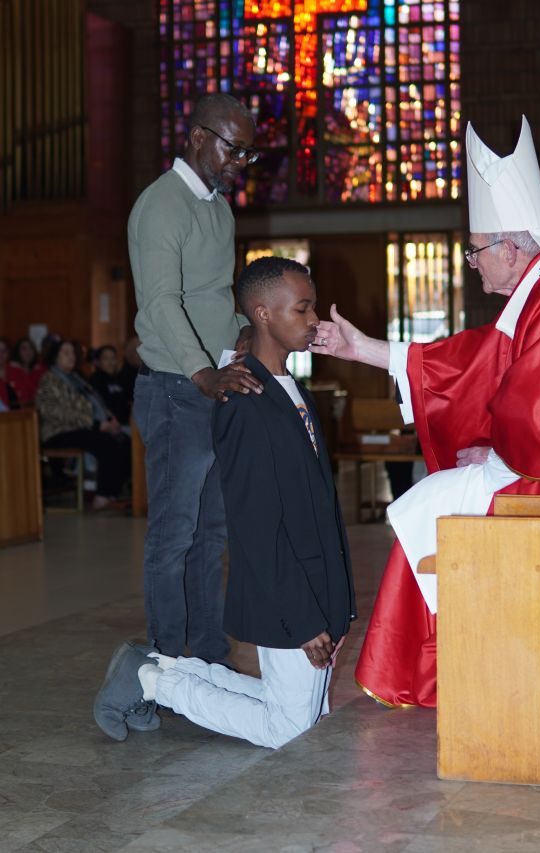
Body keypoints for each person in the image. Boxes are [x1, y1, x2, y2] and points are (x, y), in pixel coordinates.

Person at [311, 115, 540, 708]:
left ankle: (421, 674)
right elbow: (476, 362)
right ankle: (430, 670)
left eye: (476, 250)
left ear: (510, 247)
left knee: (429, 504)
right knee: (429, 501)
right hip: (537, 464)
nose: (471, 262)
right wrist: (365, 350)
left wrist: (500, 454)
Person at [93, 257, 357, 747]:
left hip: (314, 587)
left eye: (313, 308)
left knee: (309, 713)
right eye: (302, 309)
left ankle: (157, 665)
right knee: (289, 728)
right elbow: (256, 523)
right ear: (262, 314)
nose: (314, 320)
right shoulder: (244, 400)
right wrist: (303, 617)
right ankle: (152, 682)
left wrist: (334, 603)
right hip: (286, 594)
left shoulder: (294, 391)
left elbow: (317, 505)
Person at [129, 93, 264, 688]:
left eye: (247, 154)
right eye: (234, 149)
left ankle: (208, 659)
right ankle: (165, 666)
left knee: (211, 535)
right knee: (174, 535)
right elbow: (161, 304)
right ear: (197, 137)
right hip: (174, 390)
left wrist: (243, 331)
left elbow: (212, 300)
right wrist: (202, 372)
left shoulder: (220, 210)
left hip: (212, 386)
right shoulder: (162, 206)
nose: (240, 163)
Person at [36, 339, 131, 510]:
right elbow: (56, 412)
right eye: (66, 353)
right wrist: (96, 424)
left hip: (82, 428)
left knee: (125, 442)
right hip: (58, 432)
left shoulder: (76, 378)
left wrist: (110, 419)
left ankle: (113, 493)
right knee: (106, 443)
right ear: (55, 357)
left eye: (73, 352)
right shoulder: (49, 379)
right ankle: (102, 496)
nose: (71, 356)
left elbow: (96, 401)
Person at [89, 345, 131, 428]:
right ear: (98, 362)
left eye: (113, 358)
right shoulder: (95, 380)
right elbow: (98, 406)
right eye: (106, 358)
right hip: (110, 425)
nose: (110, 362)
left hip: (126, 423)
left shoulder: (119, 379)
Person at [11, 336, 46, 401]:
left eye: (31, 348)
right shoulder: (11, 370)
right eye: (24, 349)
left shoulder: (40, 370)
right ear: (17, 352)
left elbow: (38, 394)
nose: (28, 351)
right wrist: (21, 371)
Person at [0, 337, 32, 407]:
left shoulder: (17, 371)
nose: (1, 354)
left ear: (8, 353)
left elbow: (32, 394)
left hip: (22, 412)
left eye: (4, 351)